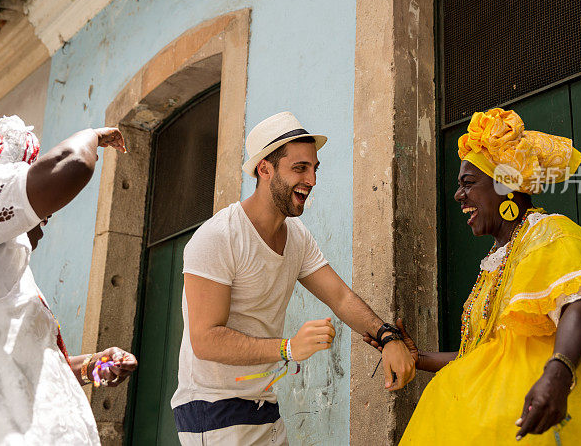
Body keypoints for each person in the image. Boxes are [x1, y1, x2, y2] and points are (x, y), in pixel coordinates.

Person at [384, 108, 581, 444]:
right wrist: (419, 358)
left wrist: (556, 376)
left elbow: (578, 305)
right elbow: (491, 352)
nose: (458, 195)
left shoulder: (548, 231)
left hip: (565, 406)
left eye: (469, 183)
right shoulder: (497, 260)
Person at [171, 111, 416, 445]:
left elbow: (341, 298)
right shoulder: (219, 236)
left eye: (314, 168)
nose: (312, 179)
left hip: (264, 405)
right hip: (212, 411)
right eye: (300, 168)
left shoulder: (297, 237)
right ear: (265, 169)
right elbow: (205, 340)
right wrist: (288, 347)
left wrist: (388, 337)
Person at [0, 116, 138, 445]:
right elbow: (72, 164)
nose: (46, 214)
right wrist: (92, 134)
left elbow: (16, 367)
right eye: (25, 180)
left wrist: (92, 366)